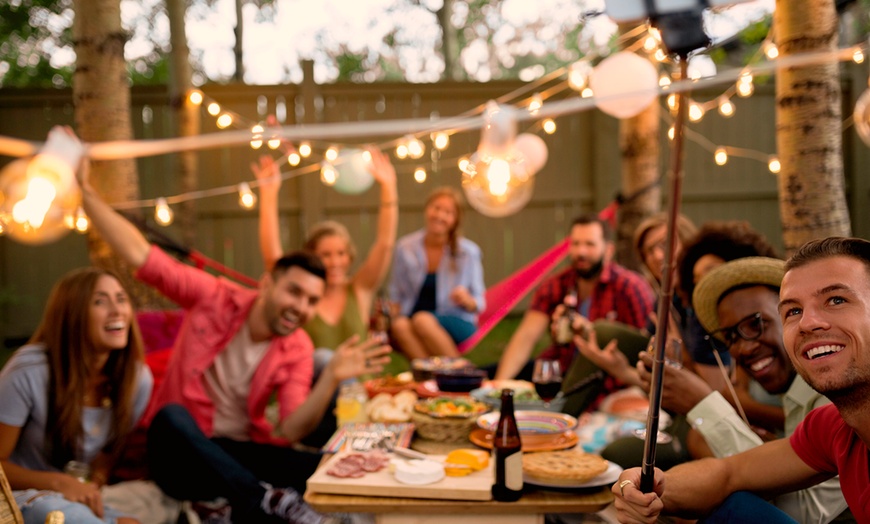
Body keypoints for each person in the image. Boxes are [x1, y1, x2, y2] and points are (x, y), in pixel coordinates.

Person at [76, 149, 390, 522]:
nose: (301, 307)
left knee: (320, 463)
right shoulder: (214, 297)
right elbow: (141, 254)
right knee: (171, 417)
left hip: (235, 452)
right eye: (294, 292)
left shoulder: (297, 345)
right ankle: (262, 500)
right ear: (267, 283)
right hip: (180, 455)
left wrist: (333, 377)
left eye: (311, 301)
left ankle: (246, 501)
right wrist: (84, 192)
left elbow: (291, 427)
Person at [612, 237, 870, 524]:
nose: (808, 323)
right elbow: (728, 474)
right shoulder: (832, 424)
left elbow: (805, 510)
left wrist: (703, 403)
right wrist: (645, 491)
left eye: (836, 300)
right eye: (793, 312)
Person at [0, 267, 153, 524]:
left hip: (74, 499)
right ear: (72, 314)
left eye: (121, 299)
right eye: (100, 301)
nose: (117, 310)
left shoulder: (137, 380)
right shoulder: (29, 371)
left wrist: (94, 481)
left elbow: (106, 455)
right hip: (23, 498)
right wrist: (58, 482)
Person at [255, 147, 398, 376]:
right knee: (324, 359)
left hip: (359, 398)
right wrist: (269, 195)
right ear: (312, 257)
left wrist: (388, 188)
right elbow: (273, 259)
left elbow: (385, 244)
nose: (335, 262)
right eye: (326, 254)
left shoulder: (359, 290)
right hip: (316, 395)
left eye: (341, 253)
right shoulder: (301, 296)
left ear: (349, 257)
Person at [494, 214, 655, 384]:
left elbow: (644, 349)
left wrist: (589, 332)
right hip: (562, 374)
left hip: (613, 382)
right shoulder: (557, 284)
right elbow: (525, 337)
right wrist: (497, 385)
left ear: (608, 250)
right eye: (576, 243)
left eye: (589, 244)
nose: (581, 252)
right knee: (484, 375)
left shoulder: (630, 288)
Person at [388, 186, 485, 359]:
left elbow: (479, 302)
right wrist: (390, 310)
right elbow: (396, 293)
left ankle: (459, 371)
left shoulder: (468, 252)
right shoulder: (405, 247)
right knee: (400, 325)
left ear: (456, 219)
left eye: (448, 212)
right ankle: (430, 378)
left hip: (456, 318)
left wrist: (467, 300)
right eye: (436, 208)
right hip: (414, 315)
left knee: (422, 320)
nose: (440, 215)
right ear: (427, 209)